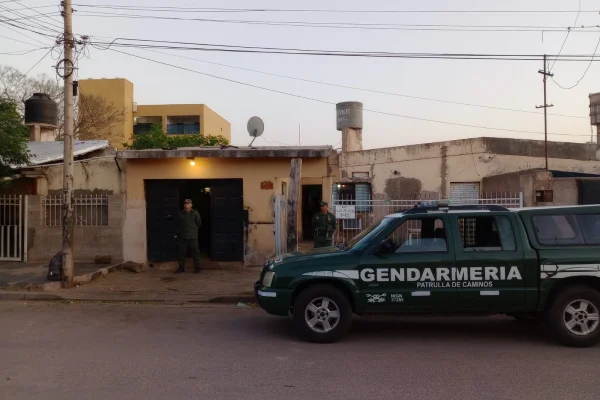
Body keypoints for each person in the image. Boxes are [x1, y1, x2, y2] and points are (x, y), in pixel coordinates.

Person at [175, 199, 202, 274]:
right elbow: (178, 224)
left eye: (188, 203)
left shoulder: (195, 213)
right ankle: (181, 268)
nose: (186, 204)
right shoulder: (180, 214)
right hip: (183, 237)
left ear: (191, 205)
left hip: (192, 237)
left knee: (195, 253)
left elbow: (199, 224)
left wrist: (193, 230)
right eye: (185, 203)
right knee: (181, 253)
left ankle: (197, 267)